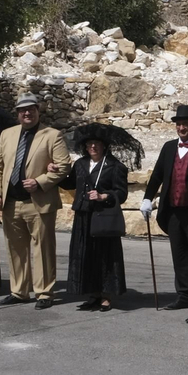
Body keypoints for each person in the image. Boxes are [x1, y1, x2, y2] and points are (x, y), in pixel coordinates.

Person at [0, 94, 71, 308]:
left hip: (38, 202)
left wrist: (40, 181)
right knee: (15, 249)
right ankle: (19, 291)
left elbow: (63, 166)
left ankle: (44, 293)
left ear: (37, 111)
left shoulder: (52, 135)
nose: (27, 113)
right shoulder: (7, 134)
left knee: (42, 249)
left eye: (31, 109)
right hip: (11, 202)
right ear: (17, 113)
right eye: (23, 110)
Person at [140, 104, 188, 313]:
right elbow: (157, 175)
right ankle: (184, 295)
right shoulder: (168, 147)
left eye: (186, 124)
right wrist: (147, 198)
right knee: (179, 255)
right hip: (173, 210)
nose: (182, 127)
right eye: (179, 124)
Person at [61, 124, 130, 311]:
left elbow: (121, 193)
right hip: (83, 215)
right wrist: (55, 170)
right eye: (90, 143)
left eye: (97, 143)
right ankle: (93, 293)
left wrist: (103, 196)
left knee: (104, 256)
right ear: (84, 146)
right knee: (86, 255)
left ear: (104, 146)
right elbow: (68, 182)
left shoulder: (115, 166)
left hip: (103, 217)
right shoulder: (80, 164)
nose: (93, 147)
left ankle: (106, 295)